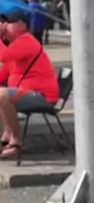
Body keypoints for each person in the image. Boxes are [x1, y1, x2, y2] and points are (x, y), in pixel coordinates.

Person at [0, 8, 59, 160]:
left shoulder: (27, 40)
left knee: (2, 95)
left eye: (7, 23)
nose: (4, 27)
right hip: (24, 93)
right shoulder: (14, 47)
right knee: (2, 93)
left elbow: (3, 56)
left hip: (41, 96)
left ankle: (16, 141)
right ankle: (7, 136)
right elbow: (2, 76)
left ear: (21, 24)